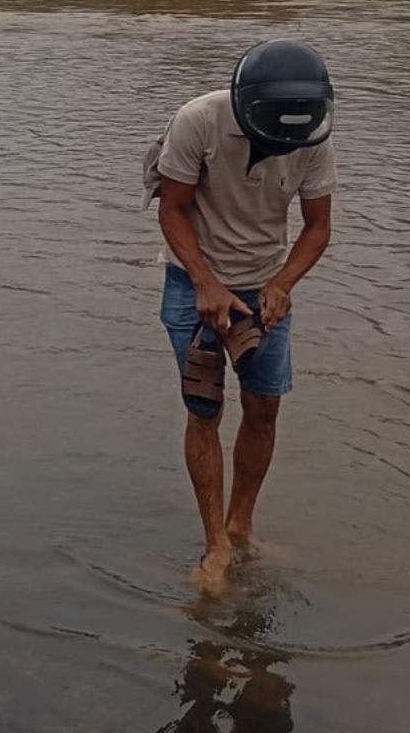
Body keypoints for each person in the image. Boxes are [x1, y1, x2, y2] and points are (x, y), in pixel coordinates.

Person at [143, 40, 336, 594]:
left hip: (264, 282)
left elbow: (318, 227)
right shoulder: (198, 122)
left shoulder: (313, 136)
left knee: (265, 407)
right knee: (204, 407)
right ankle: (215, 547)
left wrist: (282, 285)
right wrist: (206, 283)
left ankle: (241, 526)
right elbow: (172, 209)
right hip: (193, 281)